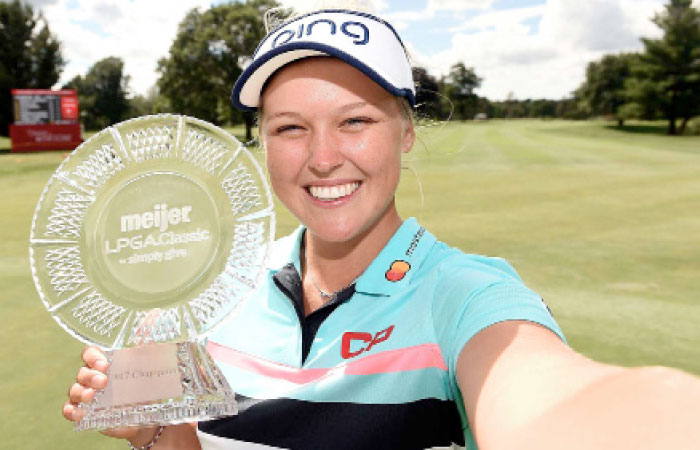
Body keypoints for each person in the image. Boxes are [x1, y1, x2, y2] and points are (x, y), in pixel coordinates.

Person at [63, 5, 700, 450]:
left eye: (356, 121)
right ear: (261, 141)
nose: (321, 157)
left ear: (408, 129)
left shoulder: (466, 297)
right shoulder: (207, 291)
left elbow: (560, 403)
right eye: (290, 127)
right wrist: (154, 430)